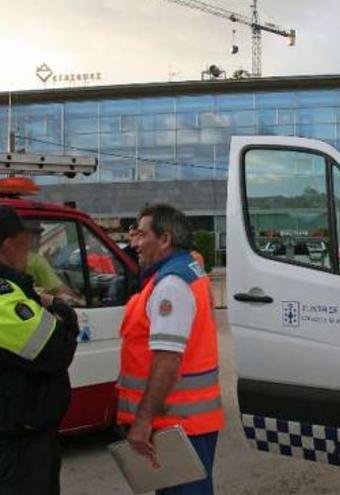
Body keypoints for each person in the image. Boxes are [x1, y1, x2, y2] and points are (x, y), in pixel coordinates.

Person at [0, 204, 79, 495]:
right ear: (8, 244)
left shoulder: (0, 287)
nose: (31, 250)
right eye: (27, 242)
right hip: (18, 435)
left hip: (26, 428)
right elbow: (59, 351)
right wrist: (60, 308)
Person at [117, 204, 223, 495]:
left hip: (179, 424)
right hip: (185, 422)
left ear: (164, 239)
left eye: (140, 235)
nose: (134, 244)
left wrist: (142, 420)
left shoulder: (172, 284)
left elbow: (167, 359)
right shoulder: (184, 270)